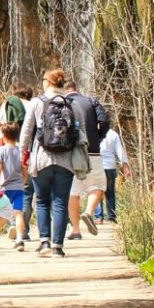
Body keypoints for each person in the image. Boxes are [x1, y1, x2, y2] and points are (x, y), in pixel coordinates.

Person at [19, 67, 88, 258]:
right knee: (60, 202)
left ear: (48, 82)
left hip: (41, 160)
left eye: (43, 79)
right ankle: (58, 246)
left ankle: (44, 242)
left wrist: (22, 156)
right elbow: (81, 132)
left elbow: (26, 132)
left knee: (41, 201)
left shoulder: (37, 102)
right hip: (66, 161)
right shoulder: (73, 104)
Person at [62, 79, 110, 240]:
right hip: (92, 151)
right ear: (77, 88)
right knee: (98, 185)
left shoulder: (63, 103)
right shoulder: (91, 101)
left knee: (72, 192)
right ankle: (89, 212)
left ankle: (75, 230)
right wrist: (98, 137)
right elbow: (104, 121)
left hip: (71, 153)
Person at [0, 122, 28, 251]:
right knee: (18, 213)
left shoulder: (1, 150)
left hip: (4, 188)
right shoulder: (21, 151)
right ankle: (20, 239)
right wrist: (23, 181)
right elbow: (25, 169)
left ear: (3, 135)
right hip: (18, 187)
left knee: (0, 213)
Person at [96, 127, 130, 223]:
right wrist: (125, 165)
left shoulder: (92, 132)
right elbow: (120, 151)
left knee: (97, 190)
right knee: (110, 192)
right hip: (110, 166)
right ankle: (111, 217)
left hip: (97, 165)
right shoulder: (113, 134)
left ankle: (99, 217)